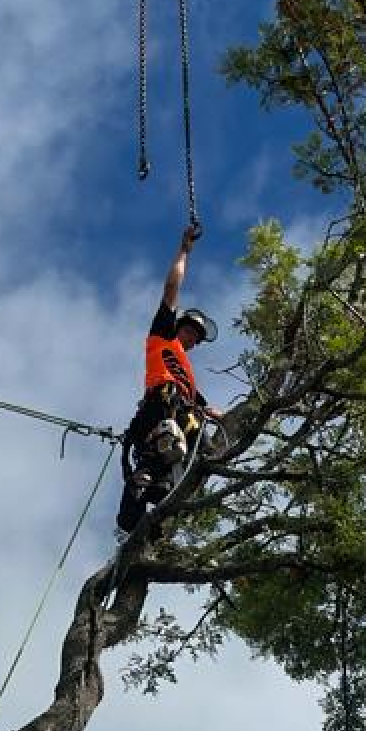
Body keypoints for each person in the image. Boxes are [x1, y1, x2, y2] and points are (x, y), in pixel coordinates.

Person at [116, 222, 222, 536]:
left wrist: (226, 417)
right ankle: (135, 506)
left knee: (173, 475)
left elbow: (210, 410)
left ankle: (159, 512)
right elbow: (171, 290)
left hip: (182, 421)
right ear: (180, 326)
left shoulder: (189, 379)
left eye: (198, 337)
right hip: (159, 411)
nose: (194, 338)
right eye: (191, 330)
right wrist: (184, 250)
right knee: (150, 468)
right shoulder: (163, 339)